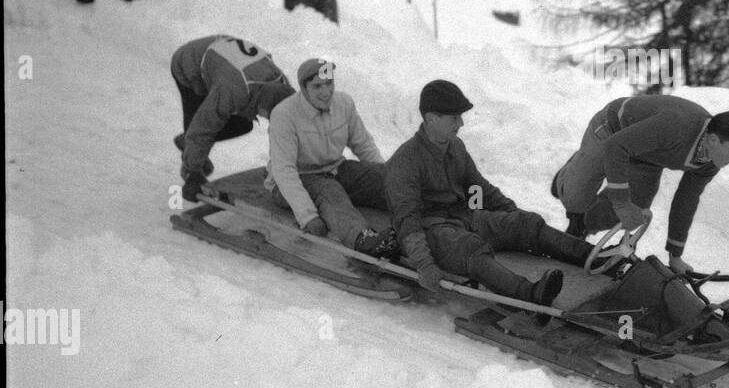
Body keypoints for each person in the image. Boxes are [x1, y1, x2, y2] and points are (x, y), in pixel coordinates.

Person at [385, 80, 592, 306]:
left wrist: (513, 218)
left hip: (464, 217)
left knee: (527, 223)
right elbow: (407, 221)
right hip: (432, 231)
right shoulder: (406, 161)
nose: (461, 123)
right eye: (454, 117)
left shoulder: (455, 147)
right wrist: (424, 265)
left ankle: (594, 257)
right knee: (470, 248)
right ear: (432, 118)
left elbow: (477, 187)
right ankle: (530, 294)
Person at [551, 95, 729, 274]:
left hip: (648, 157)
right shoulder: (676, 126)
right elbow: (617, 146)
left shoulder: (709, 162)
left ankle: (582, 225)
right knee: (576, 200)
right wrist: (621, 203)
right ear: (713, 140)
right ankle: (566, 176)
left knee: (636, 209)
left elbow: (686, 201)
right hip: (611, 132)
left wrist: (675, 256)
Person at [266, 58, 398, 259]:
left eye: (329, 83)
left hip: (336, 169)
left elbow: (363, 144)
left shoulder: (343, 103)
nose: (326, 92)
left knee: (388, 176)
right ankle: (363, 240)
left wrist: (383, 178)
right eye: (317, 86)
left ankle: (430, 209)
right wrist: (307, 216)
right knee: (330, 192)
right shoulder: (284, 115)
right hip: (297, 179)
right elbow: (284, 170)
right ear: (303, 88)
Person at [171, 35, 295, 203]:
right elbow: (203, 127)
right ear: (262, 108)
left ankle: (190, 146)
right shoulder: (232, 91)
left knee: (243, 124)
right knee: (199, 126)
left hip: (224, 61)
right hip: (190, 64)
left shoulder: (284, 89)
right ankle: (190, 164)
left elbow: (293, 126)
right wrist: (193, 172)